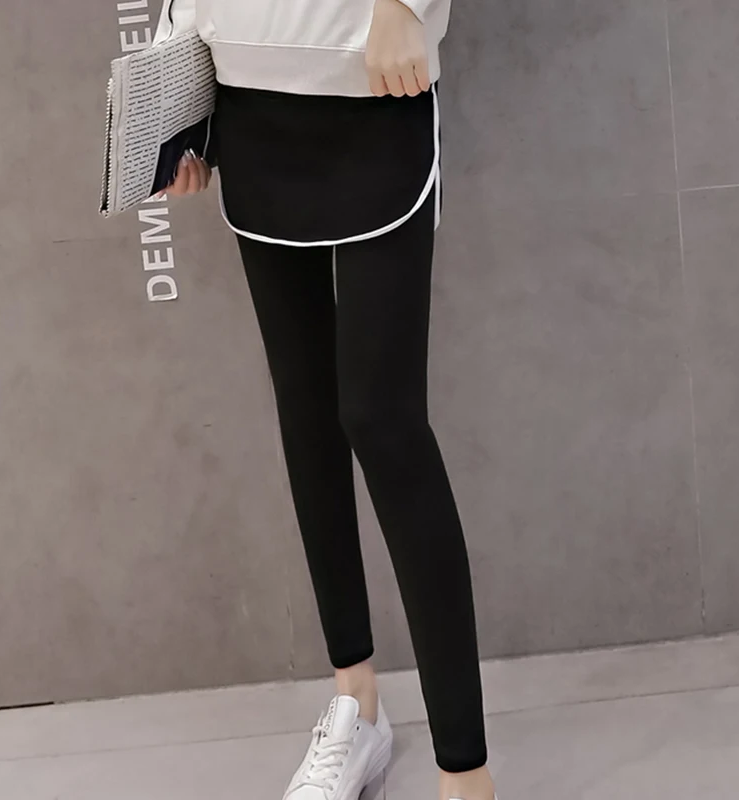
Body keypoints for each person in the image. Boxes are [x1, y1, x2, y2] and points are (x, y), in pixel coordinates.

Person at [155, 1, 497, 798]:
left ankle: (466, 775)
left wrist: (404, 5)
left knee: (383, 421)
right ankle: (357, 706)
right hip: (247, 100)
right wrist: (176, 91)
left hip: (373, 84)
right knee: (307, 412)